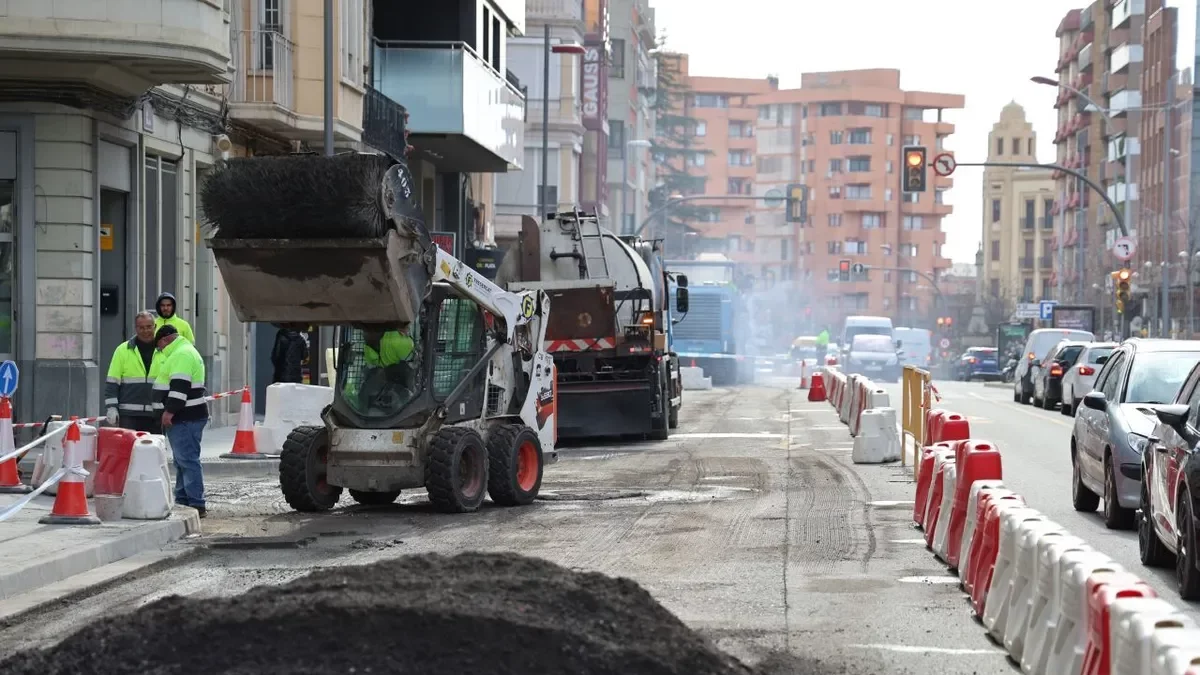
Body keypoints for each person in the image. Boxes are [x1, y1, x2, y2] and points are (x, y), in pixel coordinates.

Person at [154, 324, 209, 517]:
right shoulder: (185, 351)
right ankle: (184, 500)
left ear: (165, 340)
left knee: (187, 460)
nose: (160, 350)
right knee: (182, 460)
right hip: (188, 416)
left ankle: (195, 503)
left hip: (185, 416)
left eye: (159, 346)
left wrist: (169, 411)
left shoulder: (181, 354)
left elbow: (179, 387)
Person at [104, 311, 164, 433]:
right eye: (141, 327)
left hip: (156, 414)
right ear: (136, 328)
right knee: (129, 446)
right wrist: (112, 408)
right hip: (128, 415)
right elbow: (112, 382)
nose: (145, 331)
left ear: (155, 326)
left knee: (154, 446)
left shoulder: (165, 351)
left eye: (149, 327)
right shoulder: (122, 350)